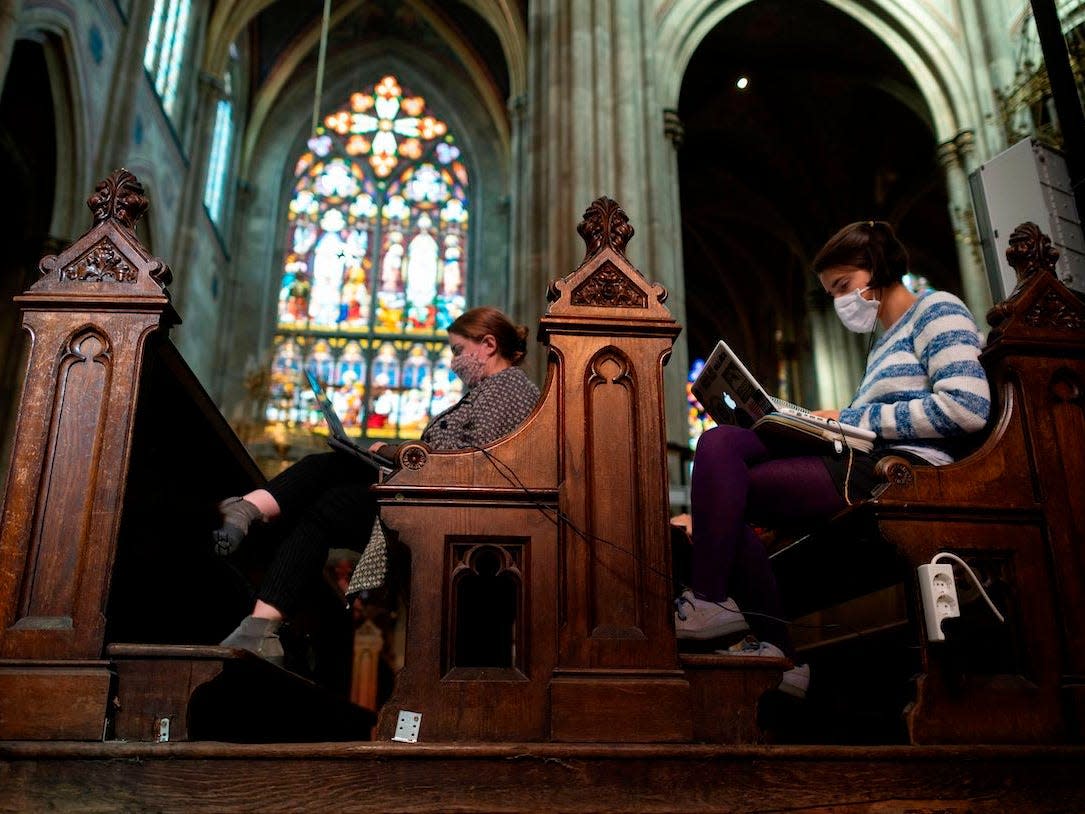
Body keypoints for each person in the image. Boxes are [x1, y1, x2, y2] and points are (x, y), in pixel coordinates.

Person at [674, 220, 991, 698]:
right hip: (859, 456)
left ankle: (728, 612)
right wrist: (821, 422)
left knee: (724, 494)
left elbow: (967, 406)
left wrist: (853, 417)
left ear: (877, 269)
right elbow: (872, 415)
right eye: (831, 292)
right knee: (721, 446)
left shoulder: (937, 310)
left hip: (901, 471)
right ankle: (766, 645)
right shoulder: (880, 343)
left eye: (844, 286)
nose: (842, 301)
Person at [217, 306, 540, 664]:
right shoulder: (494, 389)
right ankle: (260, 626)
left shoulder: (508, 388)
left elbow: (470, 461)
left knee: (329, 471)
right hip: (431, 503)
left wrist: (389, 451)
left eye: (457, 350)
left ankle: (248, 511)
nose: (453, 362)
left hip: (450, 514)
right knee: (324, 501)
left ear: (488, 345)